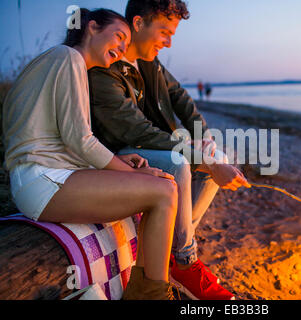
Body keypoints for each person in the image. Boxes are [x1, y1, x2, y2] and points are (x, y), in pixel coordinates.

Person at [2, 8, 179, 300]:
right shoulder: (69, 57)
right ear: (93, 28)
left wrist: (119, 162)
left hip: (48, 176)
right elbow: (80, 140)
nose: (123, 47)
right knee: (163, 191)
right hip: (42, 182)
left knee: (165, 188)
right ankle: (153, 295)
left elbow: (66, 142)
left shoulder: (62, 61)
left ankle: (147, 291)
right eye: (119, 36)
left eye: (126, 42)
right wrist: (135, 174)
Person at [88, 0, 250, 300]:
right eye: (164, 31)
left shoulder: (149, 62)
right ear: (138, 23)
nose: (169, 41)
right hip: (120, 152)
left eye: (172, 33)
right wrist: (196, 154)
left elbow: (181, 98)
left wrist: (205, 139)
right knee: (179, 163)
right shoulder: (105, 68)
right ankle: (186, 261)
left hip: (151, 143)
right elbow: (136, 131)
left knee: (219, 157)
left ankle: (174, 255)